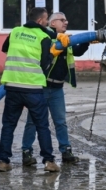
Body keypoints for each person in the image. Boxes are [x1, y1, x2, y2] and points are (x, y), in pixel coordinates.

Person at [0, 7, 68, 173]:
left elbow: (5, 49)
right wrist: (53, 54)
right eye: (46, 20)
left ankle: (3, 162)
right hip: (33, 88)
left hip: (12, 86)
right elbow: (44, 64)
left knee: (8, 126)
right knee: (42, 126)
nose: (47, 23)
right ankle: (49, 162)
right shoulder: (43, 37)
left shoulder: (15, 31)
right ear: (40, 21)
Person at [21, 12, 89, 165]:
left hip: (57, 89)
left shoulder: (66, 40)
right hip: (41, 88)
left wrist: (87, 41)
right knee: (32, 121)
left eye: (66, 19)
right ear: (52, 23)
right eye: (62, 20)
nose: (66, 22)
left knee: (60, 122)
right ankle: (26, 151)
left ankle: (66, 151)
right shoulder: (45, 37)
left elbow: (77, 51)